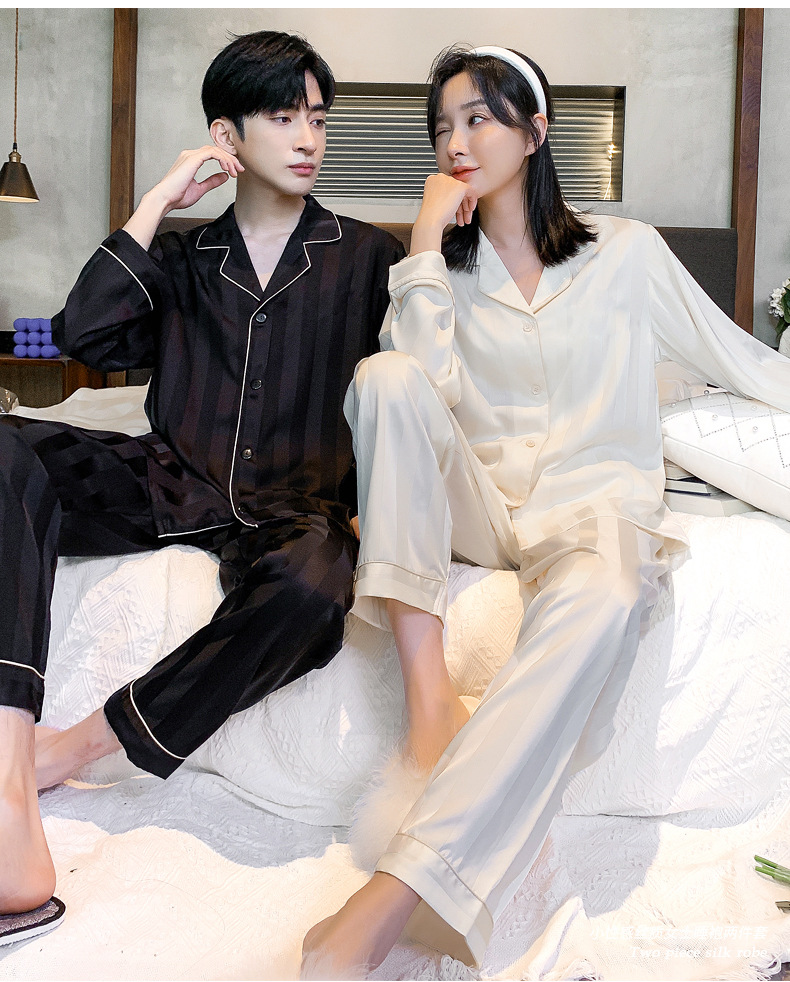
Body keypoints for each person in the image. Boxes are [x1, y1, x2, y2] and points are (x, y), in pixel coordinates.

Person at [301, 44, 790, 978]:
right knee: (386, 375)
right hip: (483, 509)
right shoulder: (439, 272)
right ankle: (428, 704)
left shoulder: (628, 252)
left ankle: (391, 898)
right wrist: (423, 246)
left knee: (611, 590)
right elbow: (415, 393)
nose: (455, 142)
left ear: (535, 132)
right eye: (441, 127)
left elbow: (744, 361)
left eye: (477, 119)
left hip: (593, 506)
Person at [0, 30, 403, 944]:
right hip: (168, 479)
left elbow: (425, 385)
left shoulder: (368, 259)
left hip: (294, 505)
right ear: (227, 136)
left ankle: (67, 752)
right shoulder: (183, 259)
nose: (308, 137)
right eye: (283, 116)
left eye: (318, 119)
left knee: (313, 588)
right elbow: (83, 336)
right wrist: (154, 205)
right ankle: (7, 764)